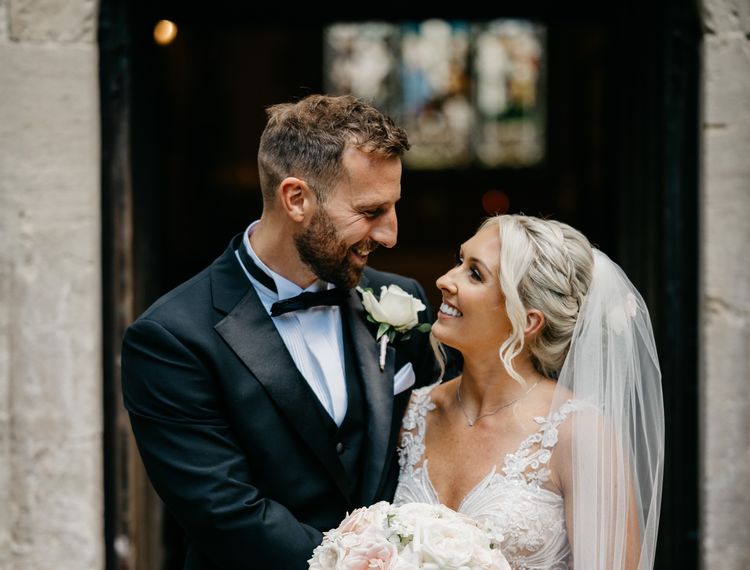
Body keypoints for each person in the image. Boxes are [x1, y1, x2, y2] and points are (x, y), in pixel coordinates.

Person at [121, 94, 440, 569]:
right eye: (370, 211)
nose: (390, 235)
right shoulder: (172, 339)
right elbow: (227, 515)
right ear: (296, 199)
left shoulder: (401, 299)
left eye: (393, 207)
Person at [394, 215, 664, 569]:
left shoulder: (578, 433)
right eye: (459, 261)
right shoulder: (415, 413)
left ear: (528, 320)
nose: (444, 280)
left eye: (475, 273)